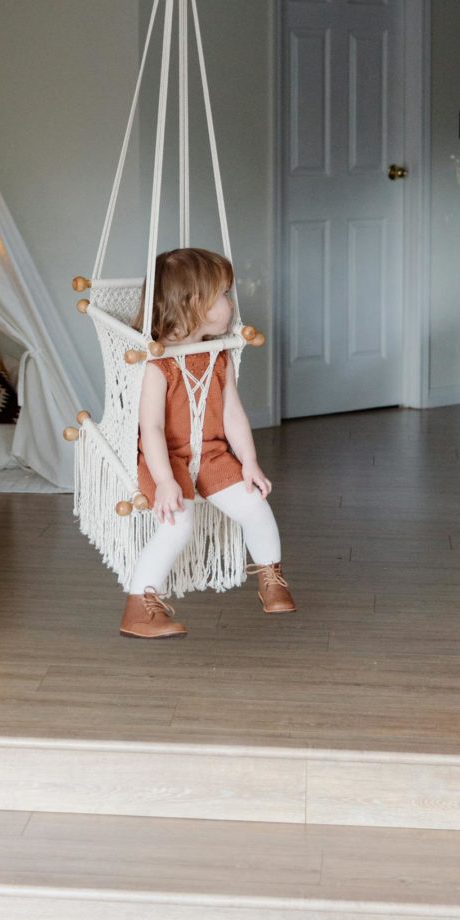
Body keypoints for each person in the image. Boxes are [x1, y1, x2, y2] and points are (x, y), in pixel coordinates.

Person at [120, 247, 296, 639]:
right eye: (224, 295)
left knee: (255, 506)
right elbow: (149, 428)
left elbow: (232, 413)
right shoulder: (157, 362)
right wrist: (165, 481)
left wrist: (248, 462)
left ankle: (270, 574)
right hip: (163, 459)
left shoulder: (219, 355)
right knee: (176, 524)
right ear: (194, 304)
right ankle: (139, 607)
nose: (231, 303)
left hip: (212, 453)